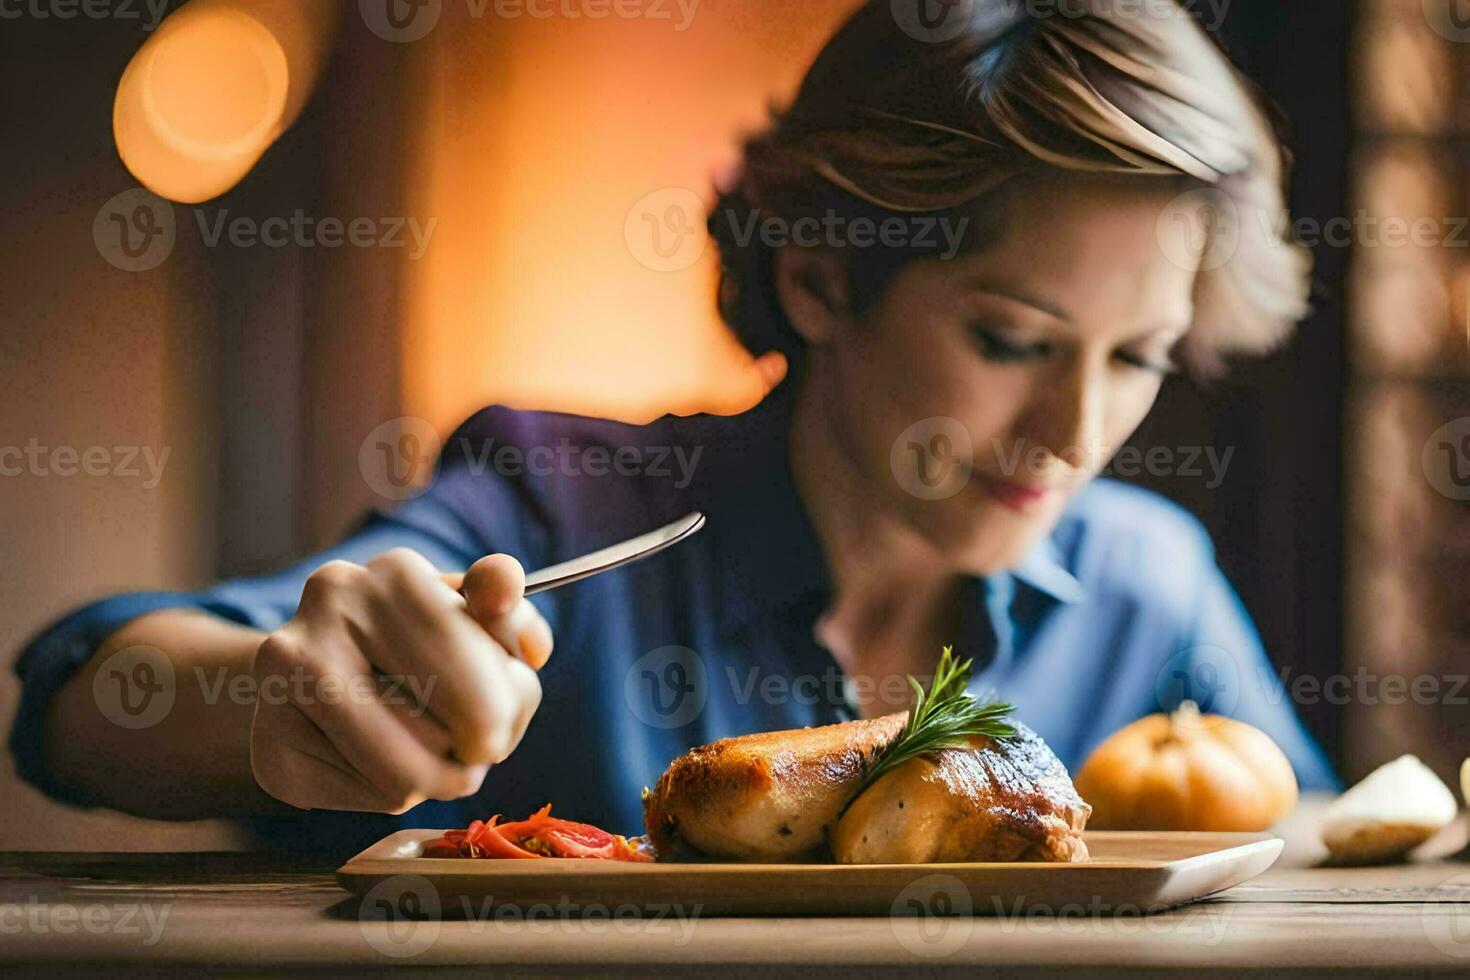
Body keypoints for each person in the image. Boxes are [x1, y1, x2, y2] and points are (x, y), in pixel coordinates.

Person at [11, 0, 1337, 853]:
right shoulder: (560, 509)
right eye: (1009, 341)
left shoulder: (1143, 582)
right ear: (819, 277)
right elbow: (75, 701)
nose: (1074, 428)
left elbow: (1331, 850)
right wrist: (264, 705)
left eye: (1142, 358)